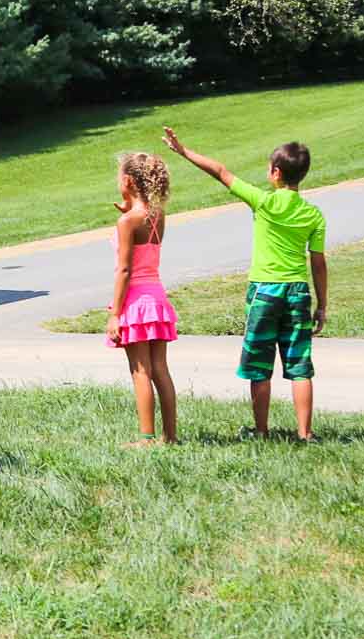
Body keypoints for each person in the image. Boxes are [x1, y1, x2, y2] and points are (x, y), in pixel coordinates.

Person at [163, 127, 329, 440]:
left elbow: (221, 172)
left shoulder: (262, 202)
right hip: (297, 291)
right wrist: (322, 304)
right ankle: (305, 434)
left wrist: (183, 152)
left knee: (259, 364)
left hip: (265, 291)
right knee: (299, 365)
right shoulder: (313, 215)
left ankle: (262, 430)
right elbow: (318, 263)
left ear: (276, 173)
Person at [107, 152, 179, 445]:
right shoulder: (157, 216)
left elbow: (124, 269)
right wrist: (128, 208)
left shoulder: (127, 221)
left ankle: (146, 438)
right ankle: (170, 436)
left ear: (127, 181)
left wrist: (115, 313)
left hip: (135, 302)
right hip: (157, 297)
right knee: (160, 369)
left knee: (140, 370)